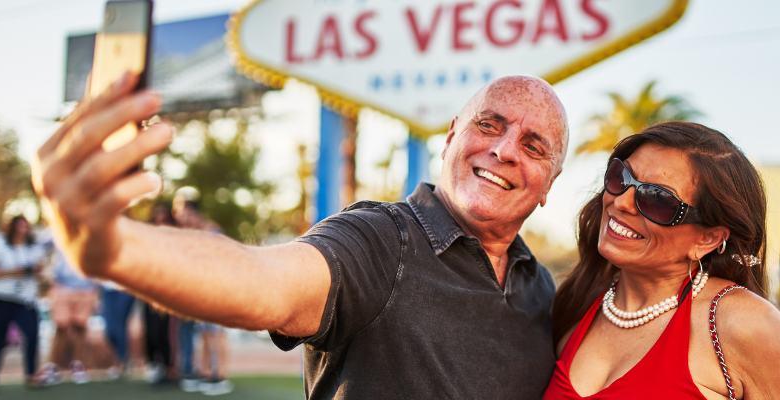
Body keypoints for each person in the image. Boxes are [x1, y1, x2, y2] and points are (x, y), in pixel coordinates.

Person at [30, 72, 567, 399]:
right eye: (489, 125)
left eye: (535, 145)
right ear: (452, 136)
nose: (505, 150)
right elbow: (266, 281)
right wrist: (118, 248)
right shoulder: (382, 240)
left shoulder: (543, 291)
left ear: (549, 185)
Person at [544, 122, 780, 399]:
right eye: (621, 177)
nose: (622, 203)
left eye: (658, 199)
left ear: (709, 239)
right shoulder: (578, 302)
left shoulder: (744, 324)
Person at [0, 216, 46, 394]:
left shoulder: (33, 246)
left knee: (32, 335)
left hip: (24, 299)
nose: (24, 230)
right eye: (20, 227)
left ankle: (31, 374)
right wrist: (15, 272)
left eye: (26, 227)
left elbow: (40, 267)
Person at [170, 199, 231, 395]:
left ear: (195, 214)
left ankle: (220, 377)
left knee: (216, 333)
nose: (183, 219)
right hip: (202, 291)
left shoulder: (213, 233)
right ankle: (207, 374)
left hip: (217, 289)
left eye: (186, 215)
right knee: (204, 333)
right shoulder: (193, 235)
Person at [43, 244, 98, 385]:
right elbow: (39, 245)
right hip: (62, 287)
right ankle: (53, 367)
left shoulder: (91, 230)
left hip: (86, 288)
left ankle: (78, 366)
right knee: (61, 328)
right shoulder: (58, 229)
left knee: (80, 327)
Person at [142, 204, 176, 386]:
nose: (160, 222)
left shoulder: (174, 241)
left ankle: (167, 367)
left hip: (167, 294)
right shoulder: (147, 240)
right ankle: (153, 364)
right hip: (149, 294)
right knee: (151, 331)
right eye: (157, 218)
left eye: (164, 218)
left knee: (164, 333)